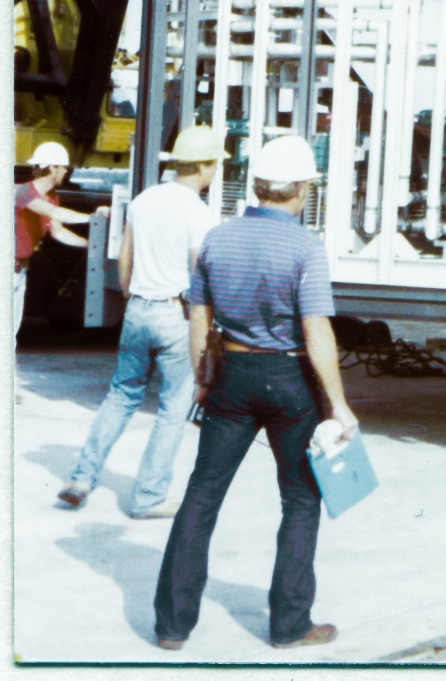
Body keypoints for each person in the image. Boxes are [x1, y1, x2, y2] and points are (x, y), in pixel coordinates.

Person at [153, 135, 358, 652]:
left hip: (232, 379)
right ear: (302, 190)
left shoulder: (217, 240)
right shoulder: (306, 247)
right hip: (290, 383)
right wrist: (337, 404)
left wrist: (204, 379)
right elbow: (316, 333)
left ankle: (172, 625)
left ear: (258, 185)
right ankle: (290, 624)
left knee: (201, 494)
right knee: (300, 500)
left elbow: (199, 319)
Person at [57, 127, 223, 518]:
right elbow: (200, 273)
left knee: (121, 395)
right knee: (171, 408)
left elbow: (124, 258)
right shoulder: (199, 213)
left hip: (139, 310)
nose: (216, 172)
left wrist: (133, 295)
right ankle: (149, 497)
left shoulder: (145, 200)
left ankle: (81, 477)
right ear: (202, 166)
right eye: (215, 164)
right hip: (175, 313)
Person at [15, 141, 103, 340]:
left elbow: (58, 231)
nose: (66, 172)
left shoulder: (52, 197)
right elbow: (55, 213)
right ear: (52, 168)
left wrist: (91, 245)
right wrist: (94, 218)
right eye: (63, 167)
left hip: (20, 271)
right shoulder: (22, 191)